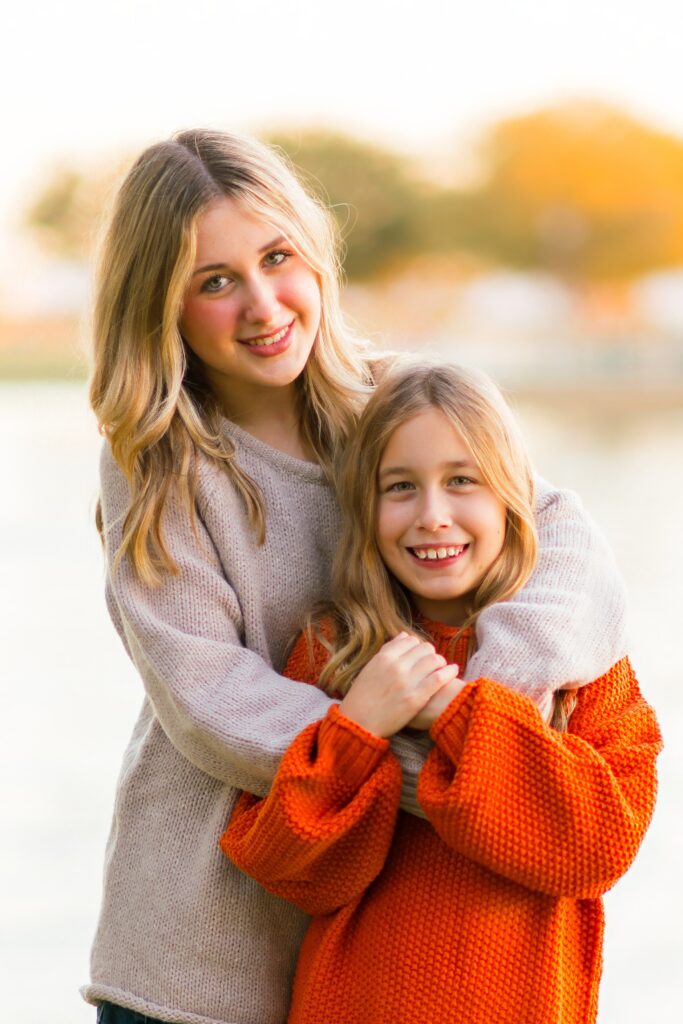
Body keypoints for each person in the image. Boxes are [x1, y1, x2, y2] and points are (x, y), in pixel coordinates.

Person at [83, 128, 629, 1024]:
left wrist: (483, 714)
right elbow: (210, 701)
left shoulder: (400, 400)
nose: (262, 304)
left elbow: (562, 542)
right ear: (161, 306)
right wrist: (431, 764)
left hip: (383, 955)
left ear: (315, 257)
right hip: (206, 953)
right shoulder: (159, 466)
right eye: (214, 282)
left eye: (276, 258)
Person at [222, 362, 662, 1024]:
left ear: (510, 494)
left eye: (461, 481)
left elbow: (595, 850)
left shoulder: (580, 663)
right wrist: (357, 728)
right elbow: (292, 871)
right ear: (362, 509)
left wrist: (453, 712)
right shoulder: (334, 649)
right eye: (399, 487)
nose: (432, 516)